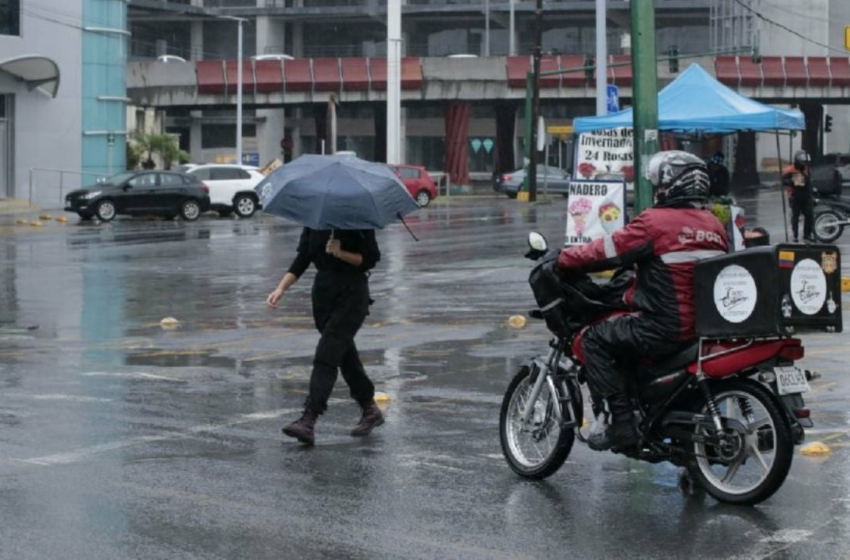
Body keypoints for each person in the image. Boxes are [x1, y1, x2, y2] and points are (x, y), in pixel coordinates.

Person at [558, 151, 729, 451]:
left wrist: (564, 258)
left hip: (663, 327)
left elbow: (607, 251)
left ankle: (621, 424)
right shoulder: (713, 225)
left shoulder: (655, 222)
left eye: (660, 185)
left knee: (594, 339)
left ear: (671, 185)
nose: (658, 190)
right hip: (703, 327)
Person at [267, 228, 384, 445]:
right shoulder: (314, 221)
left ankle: (309, 418)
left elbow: (370, 259)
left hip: (352, 296)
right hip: (323, 297)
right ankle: (370, 408)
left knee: (326, 355)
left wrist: (340, 253)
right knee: (343, 354)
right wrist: (281, 288)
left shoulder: (357, 220)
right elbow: (303, 257)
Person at [782, 150, 815, 243]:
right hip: (794, 196)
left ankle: (807, 234)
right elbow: (784, 181)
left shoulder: (807, 169)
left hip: (806, 195)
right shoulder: (789, 170)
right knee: (795, 217)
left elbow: (808, 181)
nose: (804, 164)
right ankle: (795, 235)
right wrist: (793, 181)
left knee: (809, 215)